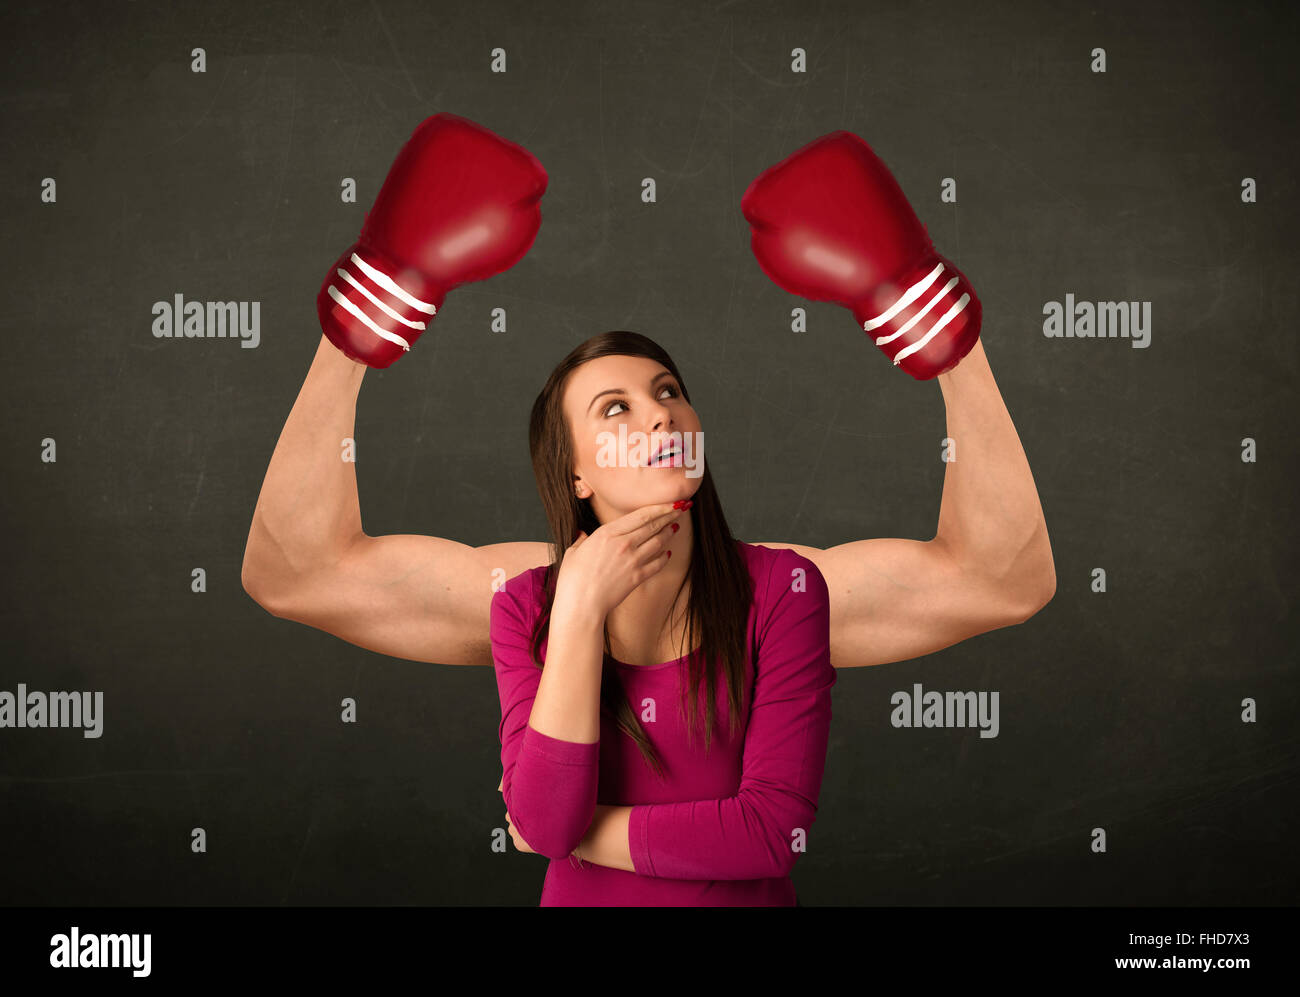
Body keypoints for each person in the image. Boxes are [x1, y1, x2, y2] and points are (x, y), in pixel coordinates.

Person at [490, 330, 834, 905]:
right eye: (617, 407)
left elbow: (772, 833)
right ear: (576, 474)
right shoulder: (525, 609)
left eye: (669, 392)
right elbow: (547, 824)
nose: (661, 415)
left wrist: (575, 834)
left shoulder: (785, 590)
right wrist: (578, 613)